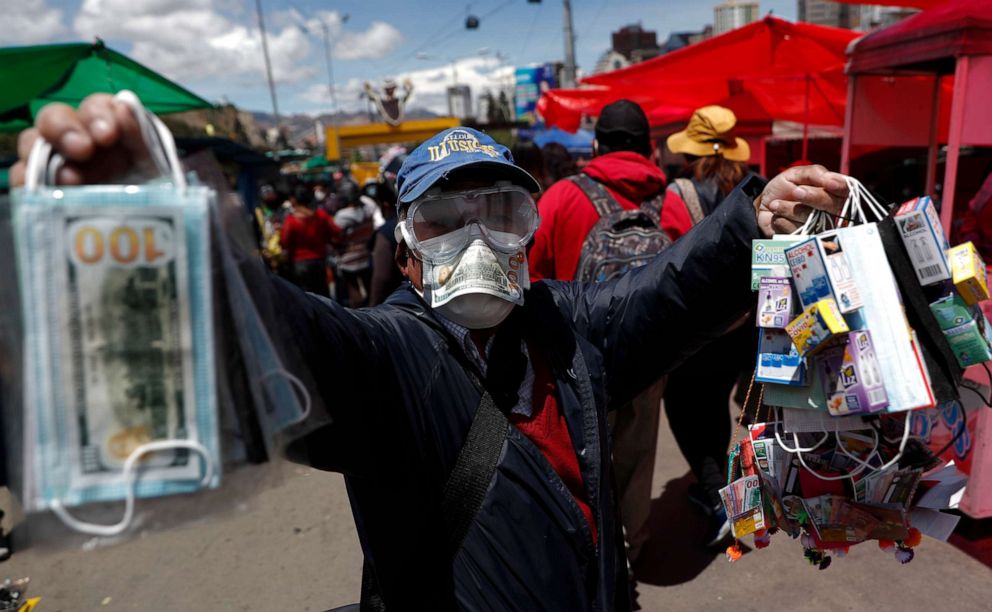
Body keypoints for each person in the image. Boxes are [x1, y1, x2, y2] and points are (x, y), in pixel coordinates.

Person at [12, 96, 847, 608]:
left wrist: (752, 223)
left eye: (502, 215)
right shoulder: (389, 361)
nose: (479, 240)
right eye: (446, 220)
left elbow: (669, 289)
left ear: (528, 233)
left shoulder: (564, 323)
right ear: (406, 250)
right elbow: (287, 340)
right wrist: (169, 252)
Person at [528, 100, 692, 579]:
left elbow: (532, 279)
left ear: (596, 144)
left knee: (579, 458)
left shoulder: (560, 197)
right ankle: (629, 547)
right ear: (650, 149)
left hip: (575, 355)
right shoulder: (672, 202)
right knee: (638, 457)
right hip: (648, 356)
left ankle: (583, 549)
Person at [663, 105, 760, 547]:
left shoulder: (678, 192)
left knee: (684, 409)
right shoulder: (752, 187)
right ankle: (722, 490)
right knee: (716, 406)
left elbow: (669, 258)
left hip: (695, 329)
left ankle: (722, 502)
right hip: (742, 324)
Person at [280, 184, 333, 297]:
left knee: (306, 297)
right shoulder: (321, 215)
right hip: (319, 260)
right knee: (323, 295)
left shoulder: (290, 220)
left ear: (294, 200)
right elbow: (334, 231)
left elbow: (285, 242)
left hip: (300, 264)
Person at [332, 179, 374, 307]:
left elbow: (336, 238)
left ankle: (360, 316)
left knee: (353, 290)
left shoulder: (341, 217)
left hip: (348, 259)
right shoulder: (367, 210)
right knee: (369, 288)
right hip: (365, 255)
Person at [368, 180, 404, 306]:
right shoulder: (414, 221)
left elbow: (381, 278)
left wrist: (373, 307)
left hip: (396, 303)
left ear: (385, 205)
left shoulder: (384, 233)